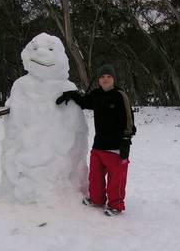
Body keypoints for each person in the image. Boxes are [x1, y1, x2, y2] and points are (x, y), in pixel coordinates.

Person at [56, 64, 136, 216]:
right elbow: (85, 102)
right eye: (102, 77)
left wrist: (126, 140)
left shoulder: (120, 95)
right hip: (99, 145)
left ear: (113, 79)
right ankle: (96, 199)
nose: (105, 79)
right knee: (95, 176)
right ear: (98, 80)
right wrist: (72, 95)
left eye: (108, 76)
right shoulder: (96, 95)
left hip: (116, 147)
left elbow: (129, 120)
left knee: (116, 180)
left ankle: (115, 205)